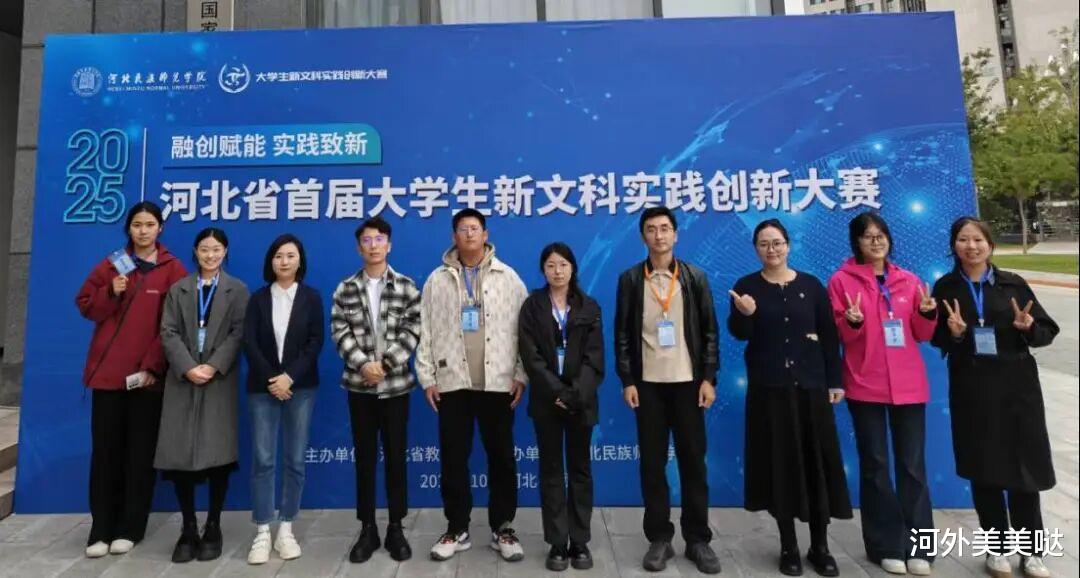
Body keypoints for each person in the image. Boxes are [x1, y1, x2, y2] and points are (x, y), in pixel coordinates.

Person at [931, 217, 1058, 578]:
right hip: (972, 389)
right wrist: (955, 333)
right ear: (954, 246)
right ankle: (996, 548)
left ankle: (1032, 552)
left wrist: (1028, 327)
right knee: (984, 469)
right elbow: (936, 338)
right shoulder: (946, 288)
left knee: (1024, 471)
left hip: (1017, 388)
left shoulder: (1012, 283)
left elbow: (1046, 330)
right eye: (963, 240)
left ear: (990, 245)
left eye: (977, 240)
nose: (971, 246)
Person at [728, 219, 852, 577]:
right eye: (764, 244)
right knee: (780, 466)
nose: (772, 249)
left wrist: (835, 381)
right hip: (770, 392)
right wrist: (745, 315)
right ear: (756, 249)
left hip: (811, 390)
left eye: (777, 243)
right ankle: (788, 546)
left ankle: (820, 546)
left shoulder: (811, 285)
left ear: (788, 245)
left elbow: (829, 336)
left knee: (816, 465)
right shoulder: (746, 287)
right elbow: (739, 333)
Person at [827, 211, 938, 576]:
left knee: (912, 467)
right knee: (875, 466)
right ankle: (885, 545)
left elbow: (921, 334)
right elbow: (840, 335)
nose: (876, 241)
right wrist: (852, 322)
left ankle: (921, 547)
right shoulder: (841, 281)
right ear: (856, 242)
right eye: (867, 236)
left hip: (909, 385)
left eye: (881, 235)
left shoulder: (909, 280)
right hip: (865, 383)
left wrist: (927, 315)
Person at [415, 208, 529, 563]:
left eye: (475, 228)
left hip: (498, 382)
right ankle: (456, 528)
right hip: (453, 382)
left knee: (502, 457)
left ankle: (503, 527)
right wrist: (427, 377)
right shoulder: (437, 280)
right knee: (453, 458)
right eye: (462, 229)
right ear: (454, 236)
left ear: (485, 234)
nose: (469, 234)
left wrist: (521, 374)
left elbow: (525, 330)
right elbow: (425, 330)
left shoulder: (508, 277)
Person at [75, 201, 187, 558]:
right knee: (105, 454)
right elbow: (86, 305)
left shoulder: (172, 269)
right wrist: (111, 291)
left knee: (139, 455)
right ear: (129, 228)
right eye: (137, 224)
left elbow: (175, 325)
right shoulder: (112, 264)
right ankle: (101, 528)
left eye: (150, 224)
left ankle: (130, 527)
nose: (143, 231)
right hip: (108, 377)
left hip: (147, 379)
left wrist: (152, 366)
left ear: (160, 229)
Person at [614, 206, 721, 574]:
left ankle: (698, 539)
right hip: (648, 388)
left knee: (693, 463)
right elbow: (622, 334)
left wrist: (708, 378)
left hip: (689, 385)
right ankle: (659, 538)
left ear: (676, 234)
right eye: (651, 229)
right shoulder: (631, 279)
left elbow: (709, 330)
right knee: (652, 465)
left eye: (664, 228)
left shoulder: (695, 277)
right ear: (643, 236)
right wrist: (627, 380)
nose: (658, 235)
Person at [330, 217, 421, 564]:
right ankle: (367, 528)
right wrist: (362, 365)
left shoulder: (406, 287)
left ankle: (396, 527)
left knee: (396, 458)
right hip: (360, 388)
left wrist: (385, 365)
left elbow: (413, 329)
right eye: (366, 240)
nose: (373, 245)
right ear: (359, 248)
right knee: (365, 459)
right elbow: (339, 331)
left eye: (379, 239)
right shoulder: (345, 288)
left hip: (395, 388)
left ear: (389, 245)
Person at [157, 227, 249, 563]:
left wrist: (212, 366)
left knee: (218, 455)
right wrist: (187, 366)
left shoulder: (237, 290)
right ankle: (188, 527)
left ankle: (213, 525)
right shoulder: (179, 289)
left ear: (225, 252)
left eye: (216, 249)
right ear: (195, 252)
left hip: (218, 380)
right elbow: (167, 331)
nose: (210, 255)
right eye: (204, 249)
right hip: (182, 380)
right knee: (180, 455)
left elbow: (239, 333)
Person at [518, 242, 605, 572]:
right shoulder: (532, 306)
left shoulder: (589, 306)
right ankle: (557, 542)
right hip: (546, 401)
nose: (557, 271)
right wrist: (556, 392)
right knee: (552, 471)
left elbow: (595, 359)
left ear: (573, 268)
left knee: (580, 470)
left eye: (563, 265)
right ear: (543, 270)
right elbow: (530, 356)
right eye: (551, 265)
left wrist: (573, 394)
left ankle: (579, 541)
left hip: (581, 402)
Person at [242, 234, 325, 564]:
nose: (284, 261)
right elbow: (249, 343)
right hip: (262, 389)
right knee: (263, 460)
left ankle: (286, 528)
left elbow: (315, 342)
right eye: (278, 256)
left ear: (300, 260)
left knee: (295, 459)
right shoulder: (258, 298)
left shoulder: (311, 297)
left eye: (290, 255)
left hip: (300, 387)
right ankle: (263, 530)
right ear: (271, 261)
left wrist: (290, 377)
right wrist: (272, 380)